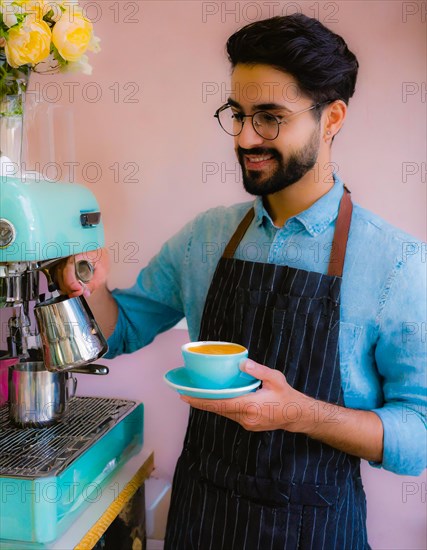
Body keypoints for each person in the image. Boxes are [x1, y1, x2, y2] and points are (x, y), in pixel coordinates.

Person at [57, 14, 426, 550]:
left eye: (271, 118)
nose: (247, 137)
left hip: (315, 532)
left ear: (332, 119)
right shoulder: (208, 236)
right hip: (202, 519)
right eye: (238, 114)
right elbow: (123, 329)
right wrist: (89, 284)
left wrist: (301, 414)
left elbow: (417, 436)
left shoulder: (396, 262)